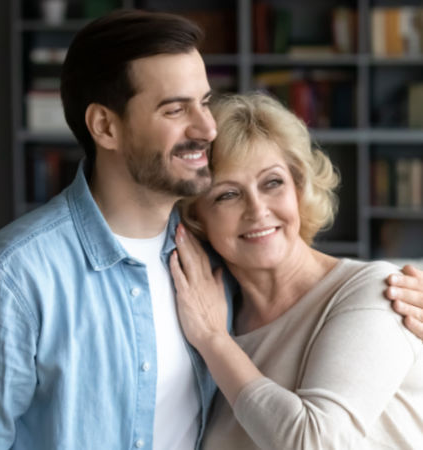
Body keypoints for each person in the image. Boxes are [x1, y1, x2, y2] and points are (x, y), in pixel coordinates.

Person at [0, 8, 422, 450]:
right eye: (175, 109)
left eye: (204, 101)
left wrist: (214, 341)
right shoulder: (14, 281)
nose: (206, 128)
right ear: (105, 126)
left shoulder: (215, 276)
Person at [171, 92, 423, 449]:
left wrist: (215, 343)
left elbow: (315, 443)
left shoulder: (372, 290)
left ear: (299, 188)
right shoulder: (212, 311)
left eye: (272, 183)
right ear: (196, 218)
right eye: (227, 194)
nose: (257, 210)